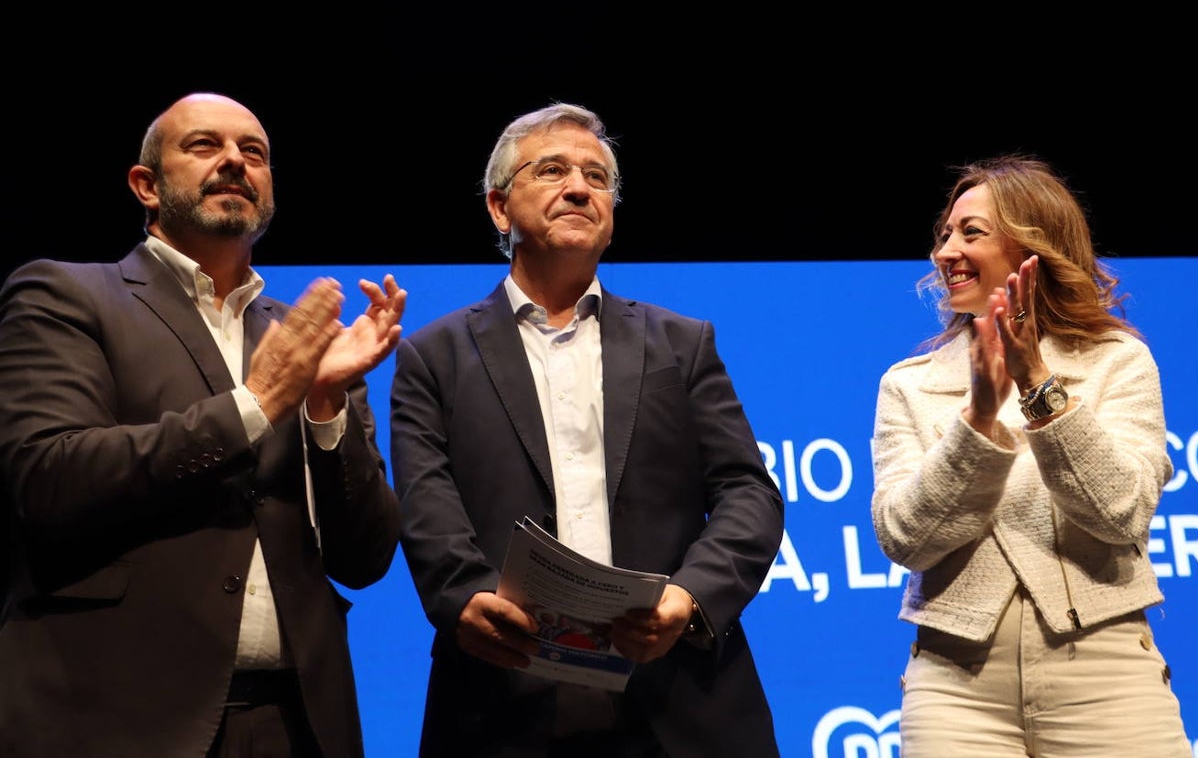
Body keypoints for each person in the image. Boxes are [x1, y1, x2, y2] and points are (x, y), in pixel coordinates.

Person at [0, 92, 407, 758]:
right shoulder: (65, 295)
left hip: (295, 722)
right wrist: (257, 403)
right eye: (203, 146)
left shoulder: (303, 338)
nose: (233, 163)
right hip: (113, 715)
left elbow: (363, 559)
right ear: (146, 186)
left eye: (254, 153)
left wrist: (325, 404)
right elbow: (49, 479)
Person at [389, 102, 784, 757]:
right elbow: (427, 506)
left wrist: (686, 600)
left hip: (679, 705)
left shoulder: (682, 345)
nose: (579, 187)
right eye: (552, 170)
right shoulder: (435, 356)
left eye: (597, 178)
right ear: (498, 207)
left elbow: (750, 493)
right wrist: (466, 599)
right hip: (500, 705)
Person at [870, 154, 1191, 756]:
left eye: (971, 233)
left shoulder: (1117, 362)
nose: (945, 252)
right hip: (954, 685)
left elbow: (1119, 513)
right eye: (944, 235)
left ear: (1032, 249)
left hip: (1105, 672)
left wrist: (1037, 384)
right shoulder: (909, 384)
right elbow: (905, 539)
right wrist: (980, 416)